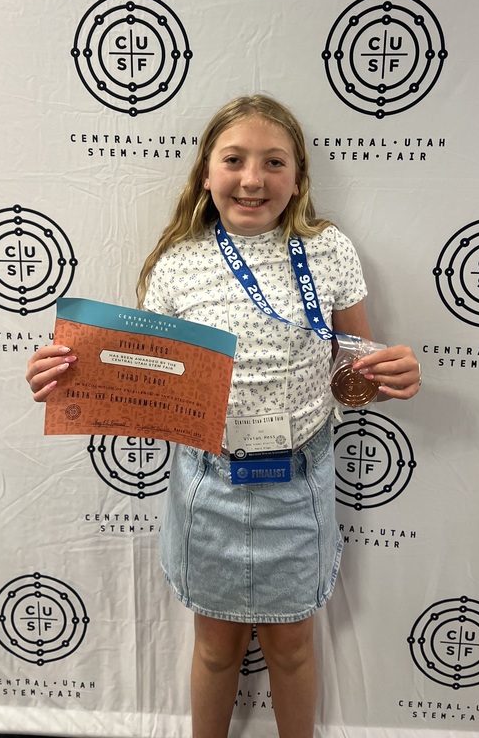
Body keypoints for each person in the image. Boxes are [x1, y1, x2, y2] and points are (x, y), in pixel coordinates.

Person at [27, 94, 421, 738]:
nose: (253, 178)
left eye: (274, 162)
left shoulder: (328, 252)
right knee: (214, 650)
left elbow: (351, 379)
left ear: (298, 178)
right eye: (234, 160)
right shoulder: (177, 264)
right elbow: (143, 384)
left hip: (298, 483)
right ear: (206, 173)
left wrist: (384, 379)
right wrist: (68, 378)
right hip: (208, 481)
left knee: (293, 649)